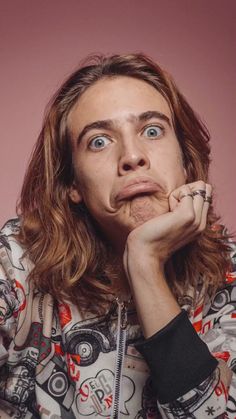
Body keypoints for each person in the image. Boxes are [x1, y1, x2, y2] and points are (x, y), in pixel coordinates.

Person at [0, 53, 235, 419]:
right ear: (73, 184)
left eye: (152, 130)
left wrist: (144, 263)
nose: (132, 156)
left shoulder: (229, 277)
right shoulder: (16, 260)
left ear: (187, 161)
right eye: (99, 141)